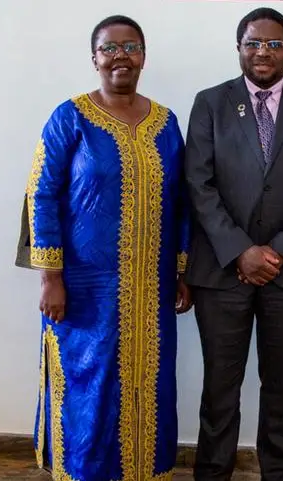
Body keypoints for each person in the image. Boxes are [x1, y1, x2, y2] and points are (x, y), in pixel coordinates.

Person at [14, 14, 192, 481]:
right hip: (83, 289)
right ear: (94, 58)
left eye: (130, 47)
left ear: (144, 57)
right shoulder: (70, 116)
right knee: (88, 384)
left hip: (150, 290)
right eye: (109, 48)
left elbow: (181, 202)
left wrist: (180, 271)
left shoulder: (166, 123)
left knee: (150, 383)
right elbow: (41, 195)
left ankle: (143, 472)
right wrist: (50, 276)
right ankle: (82, 472)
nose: (120, 57)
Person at [182, 7, 283, 481]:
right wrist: (241, 251)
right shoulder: (210, 103)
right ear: (239, 49)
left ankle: (279, 474)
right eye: (253, 43)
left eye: (274, 43)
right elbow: (199, 184)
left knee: (281, 390)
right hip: (221, 272)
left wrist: (279, 252)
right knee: (220, 388)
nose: (263, 52)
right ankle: (212, 472)